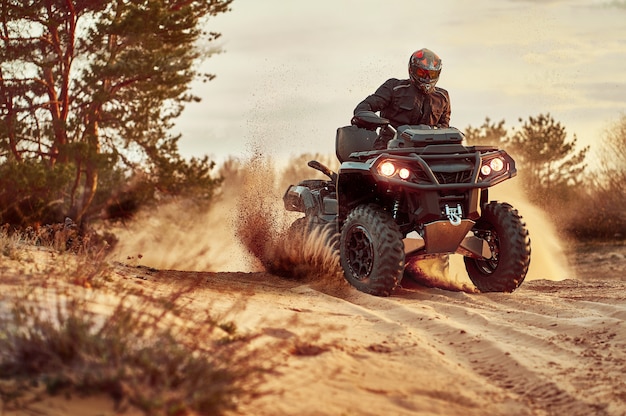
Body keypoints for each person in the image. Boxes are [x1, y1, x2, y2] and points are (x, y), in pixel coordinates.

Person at [353, 48, 451, 149]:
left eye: (432, 74)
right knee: (376, 163)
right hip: (390, 148)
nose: (427, 78)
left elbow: (444, 127)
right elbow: (364, 107)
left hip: (428, 152)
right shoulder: (394, 88)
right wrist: (368, 120)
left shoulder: (442, 97)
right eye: (422, 73)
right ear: (411, 70)